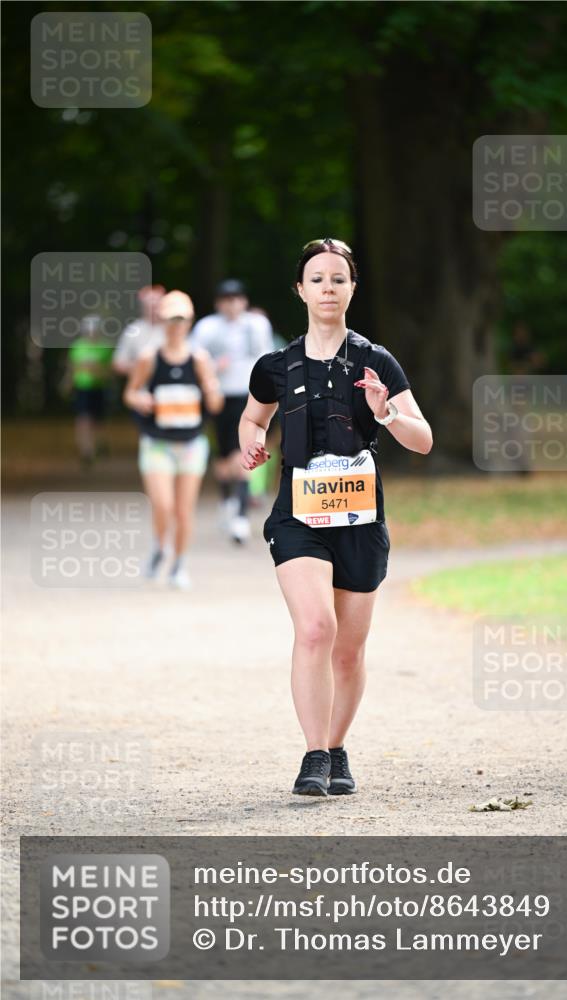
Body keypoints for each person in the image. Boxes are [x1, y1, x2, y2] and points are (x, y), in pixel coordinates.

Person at [239, 238, 433, 796]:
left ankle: (337, 746)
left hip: (359, 519)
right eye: (317, 279)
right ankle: (313, 755)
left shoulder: (376, 360)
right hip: (297, 516)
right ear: (300, 290)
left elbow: (422, 440)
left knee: (348, 651)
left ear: (352, 289)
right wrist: (252, 444)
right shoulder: (275, 366)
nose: (328, 288)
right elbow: (252, 420)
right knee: (316, 628)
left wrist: (386, 410)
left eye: (339, 279)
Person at [123, 291, 222, 590]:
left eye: (181, 319)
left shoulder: (200, 359)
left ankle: (178, 563)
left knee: (183, 510)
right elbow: (129, 393)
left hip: (191, 443)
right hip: (157, 443)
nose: (176, 324)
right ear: (162, 321)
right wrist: (139, 399)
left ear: (189, 321)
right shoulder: (148, 358)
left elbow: (214, 405)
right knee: (163, 505)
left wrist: (212, 390)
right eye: (170, 319)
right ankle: (158, 546)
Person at [190, 279, 274, 543]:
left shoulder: (257, 325)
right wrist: (214, 367)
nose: (232, 304)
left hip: (247, 396)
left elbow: (267, 358)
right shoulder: (207, 327)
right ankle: (227, 500)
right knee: (224, 458)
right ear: (219, 303)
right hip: (218, 396)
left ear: (244, 301)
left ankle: (240, 515)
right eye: (227, 299)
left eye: (237, 298)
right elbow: (193, 360)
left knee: (244, 453)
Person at [66, 314, 115, 467]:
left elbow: (111, 370)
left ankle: (100, 443)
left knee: (99, 420)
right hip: (82, 388)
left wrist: (98, 370)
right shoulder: (77, 346)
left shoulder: (105, 346)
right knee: (83, 419)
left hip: (100, 387)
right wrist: (68, 383)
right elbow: (72, 367)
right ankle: (86, 451)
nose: (91, 333)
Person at [113, 285, 166, 377]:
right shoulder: (132, 330)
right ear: (143, 306)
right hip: (141, 388)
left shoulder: (173, 328)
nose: (153, 309)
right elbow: (118, 364)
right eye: (149, 305)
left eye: (156, 305)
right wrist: (144, 368)